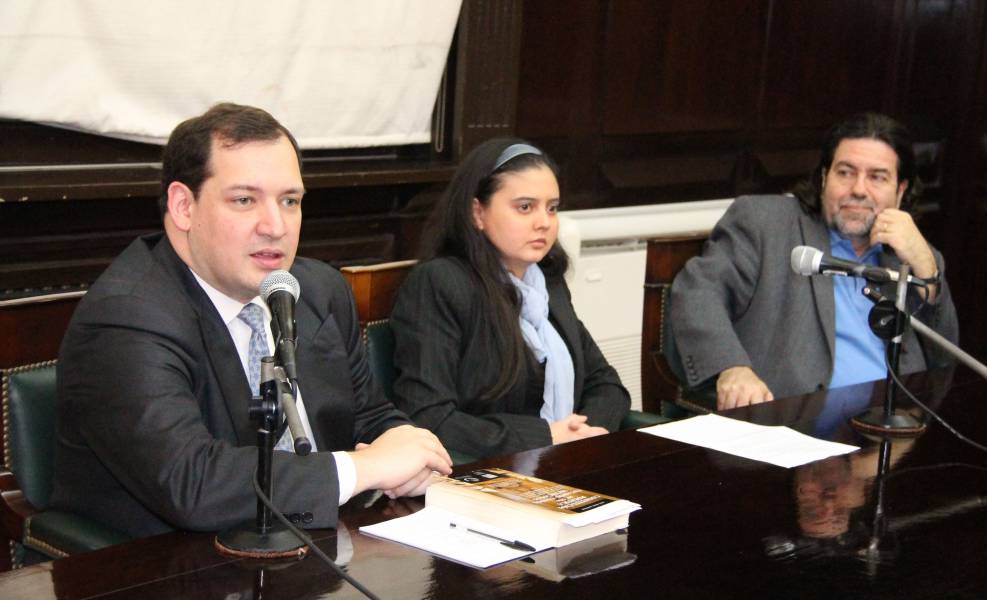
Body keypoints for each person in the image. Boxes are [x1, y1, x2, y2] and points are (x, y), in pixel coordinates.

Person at [51, 103, 452, 539]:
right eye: (245, 200)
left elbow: (368, 415)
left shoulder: (315, 290)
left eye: (290, 201)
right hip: (172, 569)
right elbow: (194, 484)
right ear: (184, 206)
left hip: (318, 546)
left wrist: (410, 452)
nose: (276, 226)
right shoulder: (127, 317)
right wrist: (365, 468)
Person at [670, 113, 958, 410]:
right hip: (796, 424)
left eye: (877, 177)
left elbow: (944, 361)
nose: (859, 189)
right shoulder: (765, 224)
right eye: (845, 172)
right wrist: (732, 368)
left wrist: (927, 269)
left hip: (892, 427)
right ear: (823, 179)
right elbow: (698, 293)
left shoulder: (914, 256)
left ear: (900, 191)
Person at [389, 138, 630, 459]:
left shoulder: (547, 282)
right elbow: (428, 417)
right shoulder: (441, 283)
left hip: (567, 463)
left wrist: (588, 432)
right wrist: (545, 436)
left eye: (552, 208)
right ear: (478, 212)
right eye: (525, 207)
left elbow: (605, 383)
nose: (543, 222)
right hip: (483, 478)